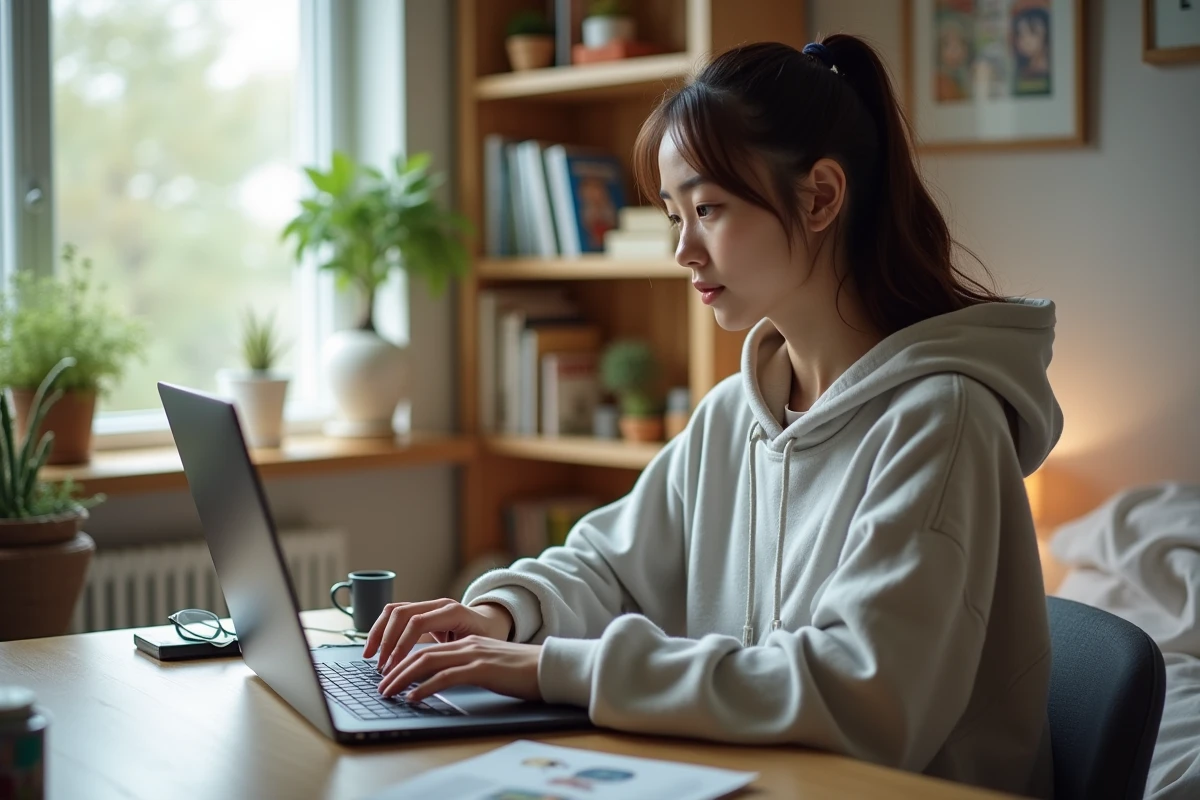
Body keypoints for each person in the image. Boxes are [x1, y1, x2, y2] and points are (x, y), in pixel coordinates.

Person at [364, 35, 1061, 799]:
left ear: (821, 197)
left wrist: (550, 668)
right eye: (673, 215)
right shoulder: (737, 413)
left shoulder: (942, 419)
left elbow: (859, 696)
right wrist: (501, 615)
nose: (683, 250)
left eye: (708, 209)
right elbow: (609, 565)